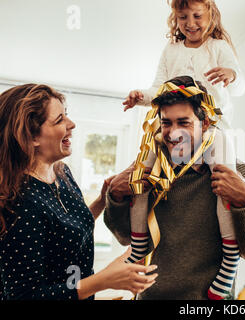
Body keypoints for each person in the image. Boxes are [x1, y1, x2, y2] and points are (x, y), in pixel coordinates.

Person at [121, 0, 245, 300]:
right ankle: (139, 242)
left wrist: (231, 75)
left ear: (211, 15)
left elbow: (240, 84)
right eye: (182, 17)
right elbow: (157, 89)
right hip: (175, 134)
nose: (190, 23)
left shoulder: (217, 47)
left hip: (212, 128)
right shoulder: (172, 51)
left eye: (197, 16)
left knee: (222, 188)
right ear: (174, 19)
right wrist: (141, 97)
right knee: (141, 176)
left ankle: (229, 259)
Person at [104, 76, 245, 300]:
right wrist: (115, 196)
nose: (174, 133)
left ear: (204, 124)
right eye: (166, 123)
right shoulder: (147, 170)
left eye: (184, 123)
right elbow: (124, 237)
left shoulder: (237, 174)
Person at [0, 84, 158, 300]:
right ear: (31, 137)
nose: (71, 124)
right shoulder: (19, 202)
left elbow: (64, 232)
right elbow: (26, 296)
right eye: (59, 120)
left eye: (67, 115)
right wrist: (105, 279)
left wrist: (102, 200)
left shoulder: (61, 173)